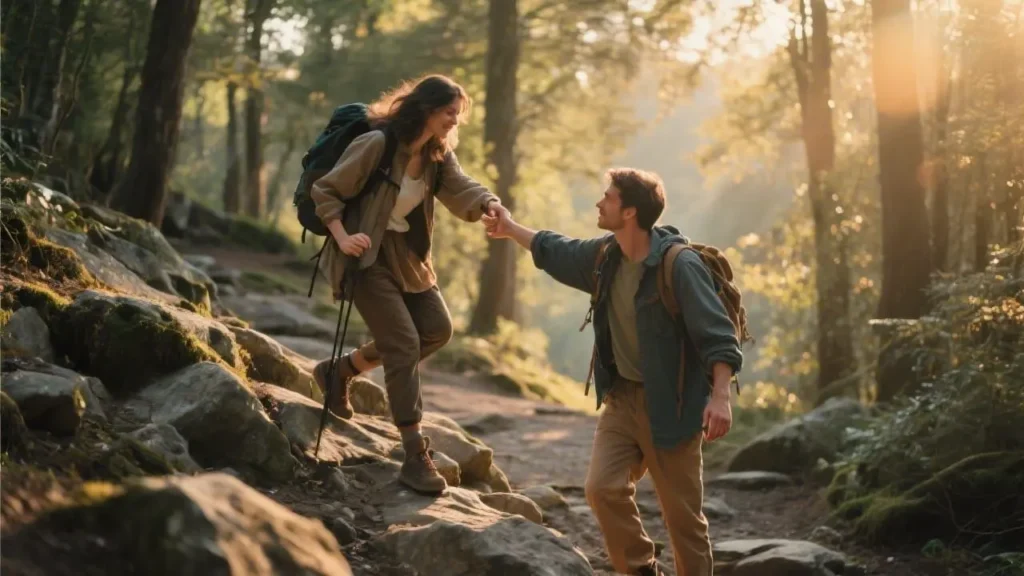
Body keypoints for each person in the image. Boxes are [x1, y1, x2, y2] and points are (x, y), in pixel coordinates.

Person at [481, 168, 742, 576]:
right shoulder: (605, 256)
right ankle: (640, 569)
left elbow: (717, 335)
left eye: (608, 198)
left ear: (630, 212)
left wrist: (721, 395)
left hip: (672, 406)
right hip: (622, 401)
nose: (599, 203)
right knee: (601, 490)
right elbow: (558, 249)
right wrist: (510, 227)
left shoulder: (679, 266)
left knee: (684, 521)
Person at [309, 74, 509, 495]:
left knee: (435, 330)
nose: (455, 120)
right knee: (402, 343)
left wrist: (489, 203)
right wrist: (344, 237)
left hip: (408, 258)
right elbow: (325, 190)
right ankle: (415, 454)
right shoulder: (377, 145)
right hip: (365, 255)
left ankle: (338, 372)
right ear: (427, 109)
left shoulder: (437, 154)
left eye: (458, 114)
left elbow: (459, 187)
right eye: (449, 112)